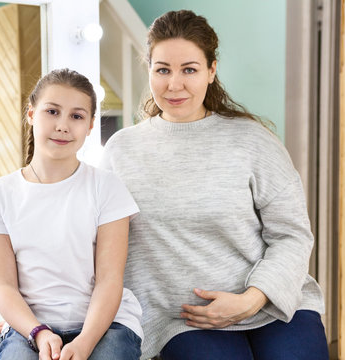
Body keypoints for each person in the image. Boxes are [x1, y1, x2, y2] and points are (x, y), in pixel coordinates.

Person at [100, 10, 328, 360]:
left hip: (272, 302)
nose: (174, 84)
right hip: (183, 317)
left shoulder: (252, 140)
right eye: (163, 69)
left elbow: (292, 235)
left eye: (189, 69)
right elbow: (93, 238)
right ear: (149, 71)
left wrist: (253, 298)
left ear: (211, 71)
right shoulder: (120, 151)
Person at [0, 68, 143, 360]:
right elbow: (4, 286)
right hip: (30, 328)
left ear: (91, 125)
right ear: (31, 114)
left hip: (106, 325)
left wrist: (84, 343)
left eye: (77, 116)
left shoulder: (107, 187)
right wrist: (37, 332)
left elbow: (109, 280)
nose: (63, 125)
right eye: (52, 111)